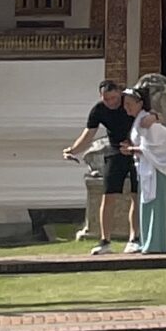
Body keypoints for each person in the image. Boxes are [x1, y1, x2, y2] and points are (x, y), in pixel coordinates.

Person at [61, 81, 136, 254]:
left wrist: (134, 143)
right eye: (106, 99)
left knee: (135, 195)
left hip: (137, 151)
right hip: (116, 151)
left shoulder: (131, 101)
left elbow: (149, 119)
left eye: (114, 98)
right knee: (108, 196)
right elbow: (88, 134)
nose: (111, 103)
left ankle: (134, 238)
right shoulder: (99, 110)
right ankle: (105, 241)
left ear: (120, 93)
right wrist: (73, 150)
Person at [124, 92, 166, 255]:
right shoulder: (139, 121)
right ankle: (148, 241)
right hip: (145, 168)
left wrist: (134, 150)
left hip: (156, 169)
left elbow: (165, 142)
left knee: (156, 206)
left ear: (140, 103)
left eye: (130, 103)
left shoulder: (146, 121)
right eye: (125, 103)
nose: (127, 107)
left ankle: (156, 243)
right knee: (146, 205)